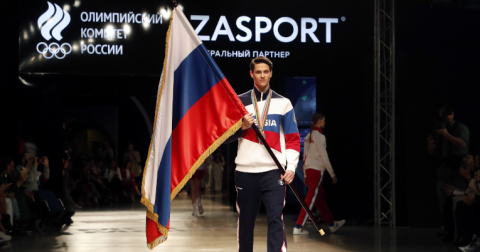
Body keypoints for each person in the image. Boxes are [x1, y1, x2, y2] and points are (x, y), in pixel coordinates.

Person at [226, 56, 300, 252]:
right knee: (246, 221)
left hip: (273, 172)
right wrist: (242, 127)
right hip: (245, 171)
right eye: (258, 72)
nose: (262, 75)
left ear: (271, 74)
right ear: (251, 74)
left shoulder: (284, 103)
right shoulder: (239, 102)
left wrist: (291, 166)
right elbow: (224, 138)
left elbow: (293, 138)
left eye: (265, 72)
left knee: (276, 218)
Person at [293, 112, 345, 235]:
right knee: (310, 198)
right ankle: (298, 226)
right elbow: (324, 157)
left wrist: (305, 174)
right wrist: (332, 174)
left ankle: (331, 224)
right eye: (324, 120)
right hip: (316, 171)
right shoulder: (320, 137)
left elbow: (304, 157)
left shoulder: (307, 137)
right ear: (319, 121)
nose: (325, 122)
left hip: (310, 172)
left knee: (319, 198)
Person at [427, 105, 470, 240]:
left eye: (449, 113)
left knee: (459, 198)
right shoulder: (440, 129)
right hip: (444, 167)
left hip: (457, 167)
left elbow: (463, 144)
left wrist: (445, 134)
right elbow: (433, 151)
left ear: (453, 113)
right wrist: (431, 143)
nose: (447, 116)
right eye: (444, 114)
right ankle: (447, 228)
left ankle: (461, 230)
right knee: (443, 200)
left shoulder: (460, 127)